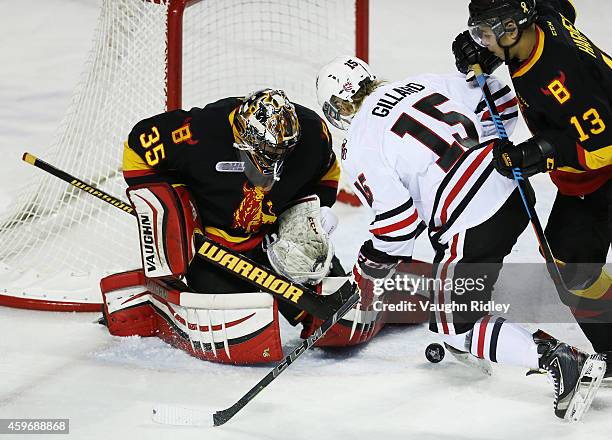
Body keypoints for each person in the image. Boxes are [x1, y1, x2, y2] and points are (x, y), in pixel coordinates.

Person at [315, 55, 606, 420]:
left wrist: (369, 268)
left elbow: (398, 224)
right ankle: (481, 333)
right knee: (459, 277)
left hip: (474, 223)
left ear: (337, 108)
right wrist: (474, 154)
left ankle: (557, 358)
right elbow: (499, 99)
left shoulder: (358, 142)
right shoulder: (421, 81)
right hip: (512, 187)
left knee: (454, 327)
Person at [99, 88, 396, 364]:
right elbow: (137, 149)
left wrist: (320, 206)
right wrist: (170, 210)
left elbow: (327, 170)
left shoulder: (312, 134)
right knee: (243, 327)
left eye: (281, 157)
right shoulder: (199, 132)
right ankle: (157, 302)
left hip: (273, 236)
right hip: (212, 250)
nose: (272, 169)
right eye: (264, 156)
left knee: (342, 321)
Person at [452, 0, 612, 367]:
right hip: (588, 177)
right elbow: (563, 7)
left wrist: (541, 153)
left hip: (602, 163)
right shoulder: (541, 16)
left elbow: (603, 147)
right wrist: (490, 51)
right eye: (478, 32)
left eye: (486, 34)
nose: (481, 41)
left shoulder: (558, 75)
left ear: (512, 29)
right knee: (570, 262)